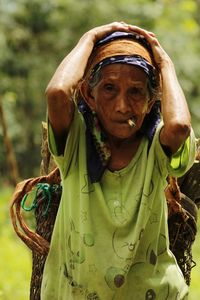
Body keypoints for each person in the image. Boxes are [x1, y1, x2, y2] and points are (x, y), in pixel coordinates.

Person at [41, 22, 196, 299]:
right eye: (109, 88)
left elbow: (180, 127)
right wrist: (89, 37)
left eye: (136, 92)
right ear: (89, 95)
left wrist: (165, 65)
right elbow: (57, 93)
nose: (122, 105)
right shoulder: (76, 141)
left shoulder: (155, 148)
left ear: (151, 102)